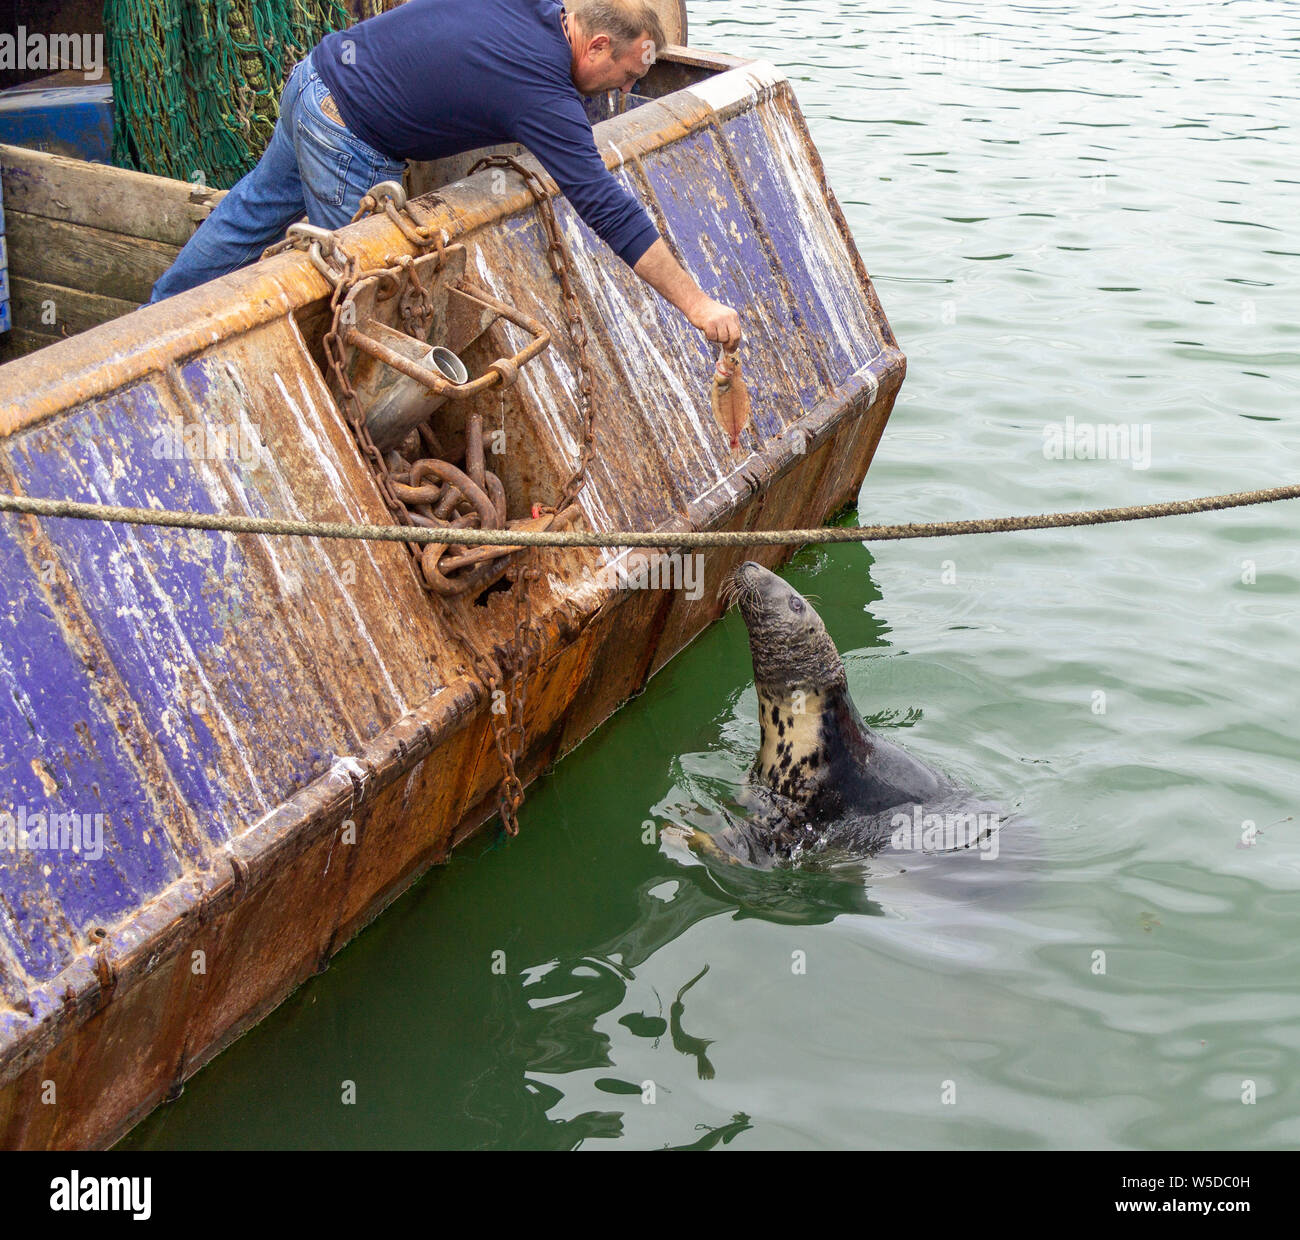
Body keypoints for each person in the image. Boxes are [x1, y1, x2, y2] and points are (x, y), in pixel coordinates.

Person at [148, 0, 742, 350]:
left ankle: (158, 313)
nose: (629, 88)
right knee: (373, 294)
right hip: (348, 133)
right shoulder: (542, 92)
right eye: (627, 73)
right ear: (597, 44)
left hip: (315, 79)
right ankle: (364, 439)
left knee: (252, 209)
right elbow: (610, 210)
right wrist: (697, 306)